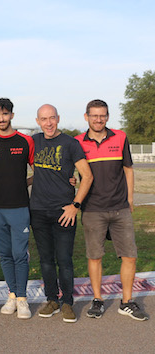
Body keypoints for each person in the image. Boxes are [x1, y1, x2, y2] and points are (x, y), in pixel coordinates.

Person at [76, 99, 149, 321]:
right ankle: (97, 300)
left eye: (103, 115)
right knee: (95, 257)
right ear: (86, 116)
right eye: (94, 115)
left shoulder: (120, 136)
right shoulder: (77, 142)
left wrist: (129, 198)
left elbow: (128, 170)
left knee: (130, 256)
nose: (99, 119)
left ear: (107, 116)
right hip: (92, 209)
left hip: (120, 208)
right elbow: (73, 172)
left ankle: (126, 302)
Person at [30, 104, 93, 323]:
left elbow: (87, 175)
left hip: (64, 211)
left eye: (52, 118)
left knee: (64, 260)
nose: (48, 123)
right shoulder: (34, 142)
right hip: (37, 210)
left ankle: (67, 302)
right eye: (44, 119)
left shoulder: (70, 143)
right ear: (38, 121)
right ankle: (52, 300)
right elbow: (37, 172)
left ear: (58, 118)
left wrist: (75, 205)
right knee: (46, 260)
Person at [0, 98, 34, 319]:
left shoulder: (25, 141)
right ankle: (12, 295)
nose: (1, 119)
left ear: (12, 115)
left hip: (20, 206)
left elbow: (38, 170)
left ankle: (22, 298)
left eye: (5, 114)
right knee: (4, 254)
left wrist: (25, 183)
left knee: (19, 254)